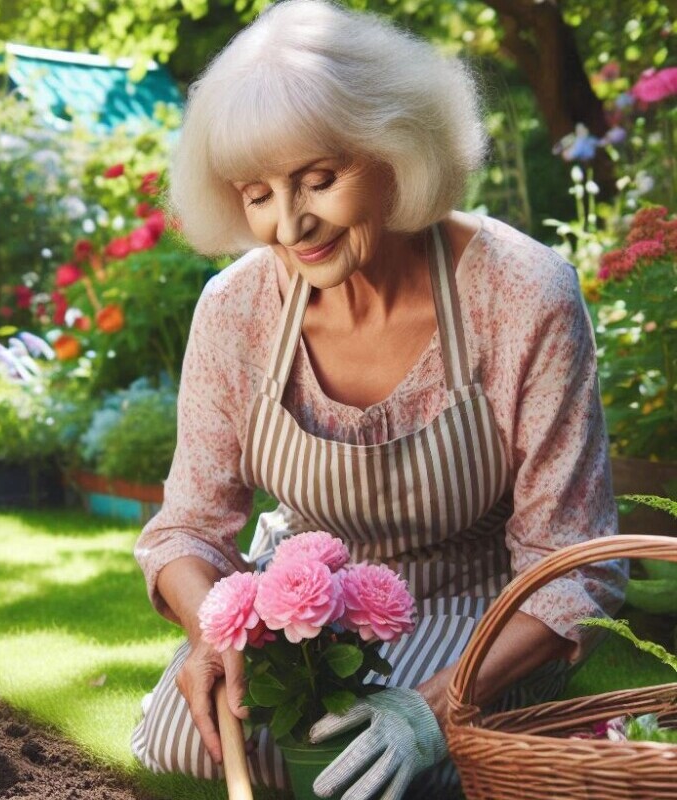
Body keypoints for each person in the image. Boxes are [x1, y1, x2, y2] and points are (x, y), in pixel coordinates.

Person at [130, 2, 627, 798]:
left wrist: (435, 708)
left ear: (395, 147)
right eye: (258, 193)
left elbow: (570, 566)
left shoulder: (524, 292)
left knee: (401, 772)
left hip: (480, 608)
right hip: (311, 614)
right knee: (185, 738)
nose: (290, 224)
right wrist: (210, 633)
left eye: (318, 180)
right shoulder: (237, 308)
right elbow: (188, 526)